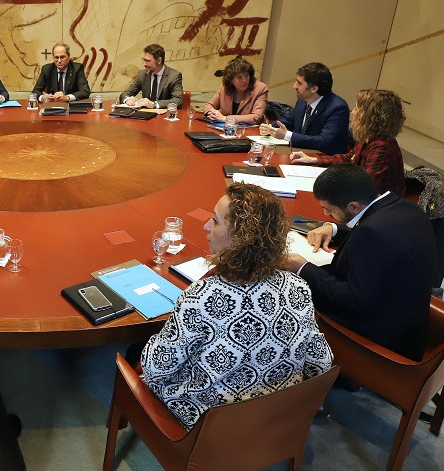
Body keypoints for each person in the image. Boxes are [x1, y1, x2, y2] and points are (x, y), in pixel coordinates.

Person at [139, 183, 333, 429]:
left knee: (138, 355)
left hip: (212, 427)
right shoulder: (299, 288)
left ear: (242, 237)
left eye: (216, 221)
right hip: (277, 418)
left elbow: (157, 368)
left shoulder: (201, 296)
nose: (206, 226)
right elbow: (320, 361)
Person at [283, 163, 436, 361]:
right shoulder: (405, 207)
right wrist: (334, 228)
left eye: (329, 210)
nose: (326, 215)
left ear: (353, 206)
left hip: (380, 340)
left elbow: (355, 301)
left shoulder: (372, 234)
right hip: (408, 323)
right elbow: (377, 229)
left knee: (288, 298)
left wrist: (302, 267)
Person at [290, 89, 406, 196]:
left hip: (378, 210)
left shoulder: (381, 147)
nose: (353, 112)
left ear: (369, 117)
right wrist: (313, 160)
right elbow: (349, 158)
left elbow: (365, 187)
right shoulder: (370, 138)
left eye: (357, 109)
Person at [259, 62, 350, 155]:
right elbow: (290, 119)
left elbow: (323, 141)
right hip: (299, 154)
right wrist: (270, 127)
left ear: (314, 89)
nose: (294, 86)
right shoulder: (303, 100)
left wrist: (287, 135)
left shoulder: (338, 108)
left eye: (299, 83)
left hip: (323, 160)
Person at [202, 56, 269, 124]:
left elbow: (256, 117)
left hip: (247, 131)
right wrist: (212, 113)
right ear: (231, 79)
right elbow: (209, 106)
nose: (244, 80)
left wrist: (226, 119)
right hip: (225, 130)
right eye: (239, 77)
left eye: (246, 76)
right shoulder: (225, 87)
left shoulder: (261, 88)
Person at [118, 44, 184, 108]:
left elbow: (178, 101)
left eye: (147, 61)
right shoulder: (142, 74)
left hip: (164, 116)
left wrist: (154, 104)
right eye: (144, 60)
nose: (144, 64)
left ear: (159, 60)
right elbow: (125, 94)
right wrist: (127, 99)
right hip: (145, 116)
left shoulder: (174, 76)